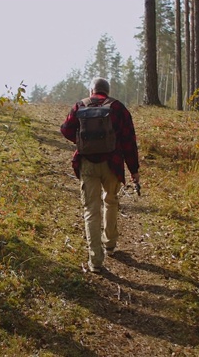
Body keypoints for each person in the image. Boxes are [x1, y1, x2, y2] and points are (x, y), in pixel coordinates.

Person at [60, 77, 140, 274]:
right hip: (112, 164)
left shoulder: (79, 106)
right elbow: (129, 140)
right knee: (110, 201)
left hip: (87, 163)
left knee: (91, 210)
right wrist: (134, 171)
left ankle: (95, 261)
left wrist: (82, 140)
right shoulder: (118, 108)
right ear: (107, 91)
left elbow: (65, 129)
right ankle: (110, 244)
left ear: (91, 91)